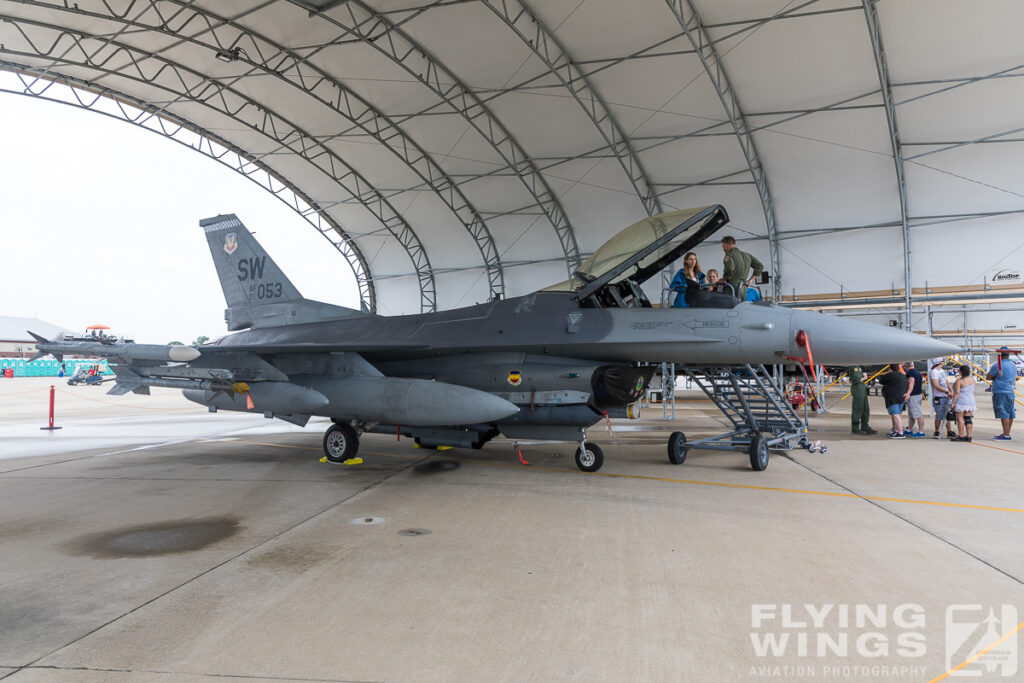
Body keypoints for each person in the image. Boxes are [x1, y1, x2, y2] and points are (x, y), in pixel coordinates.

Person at [986, 346, 1018, 441]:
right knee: (1010, 413)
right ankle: (1006, 433)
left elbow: (988, 377)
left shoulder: (997, 364)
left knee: (1004, 414)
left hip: (1000, 392)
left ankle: (1006, 436)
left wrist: (996, 378)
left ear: (1000, 354)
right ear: (1009, 354)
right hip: (1010, 391)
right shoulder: (1013, 365)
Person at [721, 235, 763, 300]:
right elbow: (760, 266)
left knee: (729, 308)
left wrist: (723, 279)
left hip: (732, 289)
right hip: (743, 288)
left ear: (726, 244)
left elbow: (730, 270)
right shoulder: (747, 255)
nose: (723, 249)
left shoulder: (729, 255)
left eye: (723, 246)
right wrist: (750, 280)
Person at [878, 364, 909, 439]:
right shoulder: (902, 375)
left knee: (895, 415)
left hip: (893, 398)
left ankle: (900, 432)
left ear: (890, 368)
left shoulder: (890, 375)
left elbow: (881, 381)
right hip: (901, 397)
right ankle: (896, 430)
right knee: (898, 414)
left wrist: (888, 373)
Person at [929, 358, 956, 439]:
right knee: (939, 415)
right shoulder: (934, 372)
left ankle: (949, 431)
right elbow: (935, 385)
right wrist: (947, 392)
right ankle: (937, 431)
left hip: (946, 396)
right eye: (943, 361)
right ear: (939, 362)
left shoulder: (941, 371)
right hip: (939, 397)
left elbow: (946, 381)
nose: (944, 362)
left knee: (947, 415)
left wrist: (951, 390)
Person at [949, 365, 976, 442]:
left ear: (961, 372)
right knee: (968, 418)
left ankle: (961, 436)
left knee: (960, 418)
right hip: (971, 401)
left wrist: (953, 403)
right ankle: (969, 436)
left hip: (961, 401)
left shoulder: (959, 381)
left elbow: (957, 393)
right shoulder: (972, 380)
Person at [847, 365, 876, 435]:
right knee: (858, 408)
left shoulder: (859, 367)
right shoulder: (854, 367)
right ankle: (855, 428)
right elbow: (856, 380)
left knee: (865, 408)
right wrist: (864, 377)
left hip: (862, 388)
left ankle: (865, 426)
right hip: (858, 389)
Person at [904, 362, 925, 437]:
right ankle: (910, 429)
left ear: (906, 366)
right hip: (918, 395)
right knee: (912, 414)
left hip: (913, 396)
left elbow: (911, 383)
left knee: (917, 414)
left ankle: (921, 432)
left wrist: (908, 393)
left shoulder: (910, 373)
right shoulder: (917, 372)